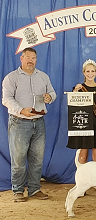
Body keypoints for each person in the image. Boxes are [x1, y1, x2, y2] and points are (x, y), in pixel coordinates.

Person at [2, 47, 57, 202]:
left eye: (33, 58)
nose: (31, 60)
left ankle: (34, 189)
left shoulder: (43, 77)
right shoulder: (11, 78)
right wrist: (21, 110)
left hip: (39, 122)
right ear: (21, 58)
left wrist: (49, 97)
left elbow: (53, 93)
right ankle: (18, 191)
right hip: (19, 122)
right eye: (28, 57)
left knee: (37, 159)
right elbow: (6, 99)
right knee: (18, 159)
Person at [66, 59, 96, 198]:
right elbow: (72, 106)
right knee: (82, 157)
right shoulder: (78, 88)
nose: (90, 73)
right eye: (87, 71)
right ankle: (82, 185)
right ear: (83, 72)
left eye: (93, 71)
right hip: (83, 125)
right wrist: (75, 91)